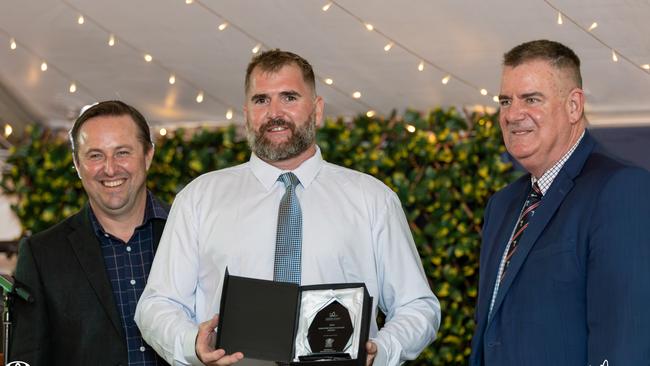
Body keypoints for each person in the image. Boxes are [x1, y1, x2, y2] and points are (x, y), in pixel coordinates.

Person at [135, 49, 440, 366]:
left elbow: (418, 305)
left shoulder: (373, 199)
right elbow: (157, 304)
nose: (274, 112)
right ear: (246, 112)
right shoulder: (199, 198)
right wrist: (191, 345)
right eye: (261, 100)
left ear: (317, 110)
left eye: (289, 97)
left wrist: (383, 350)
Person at [470, 39, 650, 365]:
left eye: (531, 99)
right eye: (506, 101)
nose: (513, 114)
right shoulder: (502, 205)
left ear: (573, 106)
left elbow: (626, 334)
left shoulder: (620, 188)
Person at [10, 101, 170, 365]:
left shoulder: (192, 234)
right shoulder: (42, 255)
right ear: (77, 164)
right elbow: (28, 357)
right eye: (95, 155)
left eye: (122, 152)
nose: (109, 168)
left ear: (148, 155)